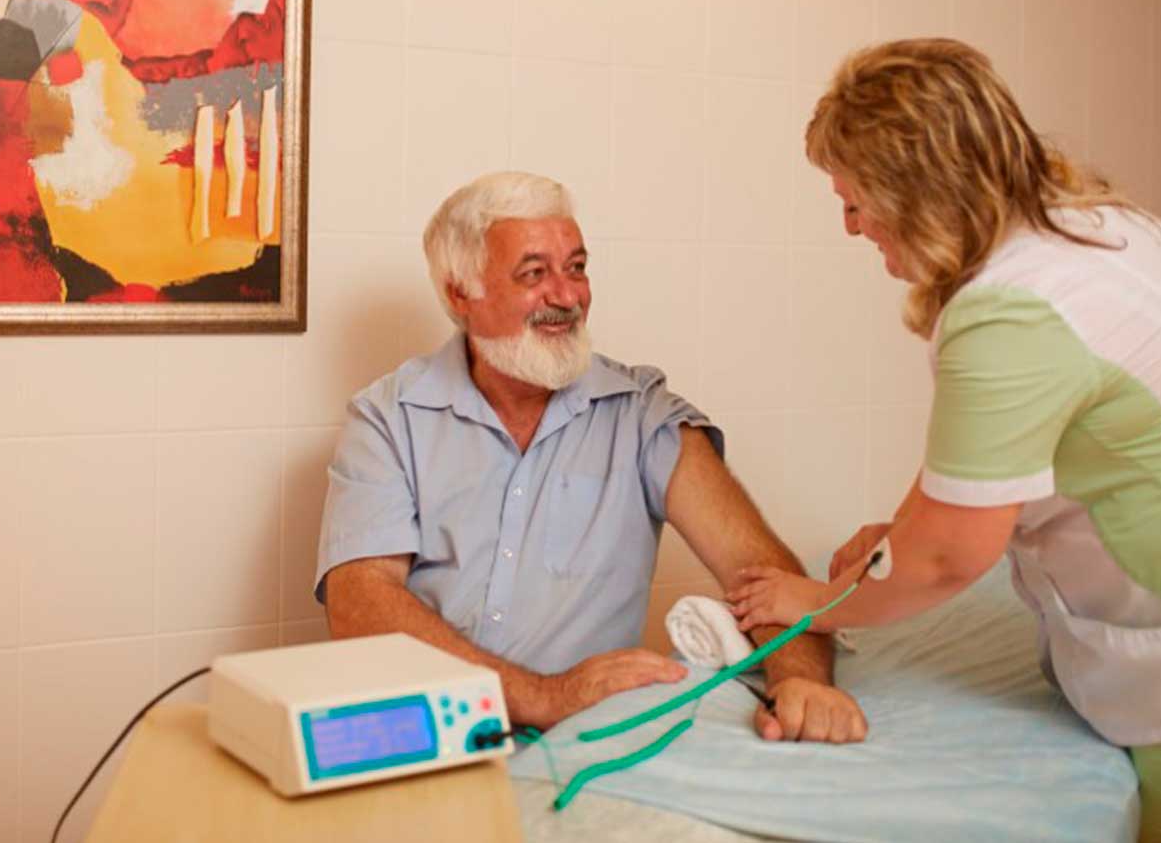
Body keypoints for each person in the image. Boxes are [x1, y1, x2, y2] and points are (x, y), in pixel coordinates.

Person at [732, 38, 1161, 840]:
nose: (851, 225)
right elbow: (988, 459)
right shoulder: (1104, 228)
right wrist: (900, 534)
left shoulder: (1009, 314)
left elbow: (948, 557)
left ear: (915, 190)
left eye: (855, 200)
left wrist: (817, 603)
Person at [314, 171, 867, 742]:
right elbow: (360, 606)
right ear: (461, 294)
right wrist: (543, 696)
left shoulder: (642, 415)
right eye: (534, 273)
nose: (567, 296)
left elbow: (762, 572)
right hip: (426, 736)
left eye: (576, 268)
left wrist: (800, 681)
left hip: (584, 746)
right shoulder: (388, 418)